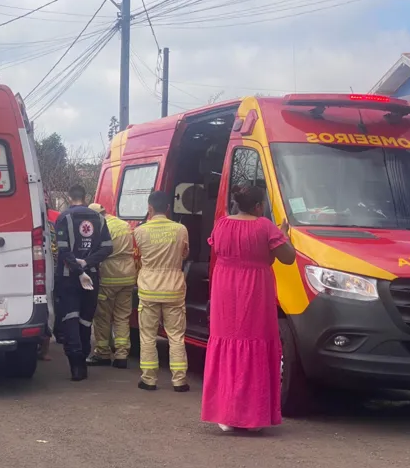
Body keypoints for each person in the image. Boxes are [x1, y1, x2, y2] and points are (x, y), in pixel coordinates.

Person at [202, 185, 296, 432]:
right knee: (255, 341)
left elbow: (221, 250)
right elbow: (287, 257)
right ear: (258, 206)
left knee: (226, 341)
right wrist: (282, 234)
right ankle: (253, 416)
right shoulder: (265, 226)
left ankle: (225, 413)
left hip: (225, 287)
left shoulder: (221, 224)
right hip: (254, 288)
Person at [133, 191, 190, 392]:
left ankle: (149, 379)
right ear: (168, 208)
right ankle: (179, 381)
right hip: (174, 289)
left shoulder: (140, 232)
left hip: (148, 290)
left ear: (149, 208)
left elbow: (137, 258)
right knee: (176, 335)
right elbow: (184, 254)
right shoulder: (181, 229)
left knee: (147, 336)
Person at [54, 185, 113, 381]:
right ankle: (83, 358)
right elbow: (107, 248)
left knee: (70, 318)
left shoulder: (63, 218)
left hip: (67, 276)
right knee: (86, 320)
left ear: (70, 198)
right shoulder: (99, 218)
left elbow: (62, 249)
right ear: (85, 197)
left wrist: (78, 268)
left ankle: (76, 365)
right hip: (92, 275)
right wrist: (87, 264)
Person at [86, 203, 136, 369]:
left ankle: (103, 353)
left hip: (109, 275)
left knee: (102, 317)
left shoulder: (100, 226)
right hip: (128, 275)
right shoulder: (123, 224)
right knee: (122, 317)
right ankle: (122, 355)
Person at [38, 196, 61, 361]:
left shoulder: (53, 219)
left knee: (50, 309)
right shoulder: (54, 218)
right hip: (50, 269)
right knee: (49, 308)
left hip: (52, 269)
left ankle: (45, 348)